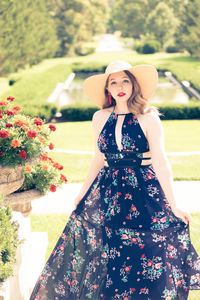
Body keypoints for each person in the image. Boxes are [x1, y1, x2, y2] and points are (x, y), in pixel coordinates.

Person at [30, 60, 200, 300]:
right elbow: (98, 158)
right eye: (114, 82)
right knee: (113, 254)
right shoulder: (99, 118)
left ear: (134, 85)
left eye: (125, 81)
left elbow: (161, 162)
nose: (120, 87)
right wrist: (81, 193)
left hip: (145, 191)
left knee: (148, 251)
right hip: (111, 193)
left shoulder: (148, 117)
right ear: (107, 89)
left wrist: (174, 205)